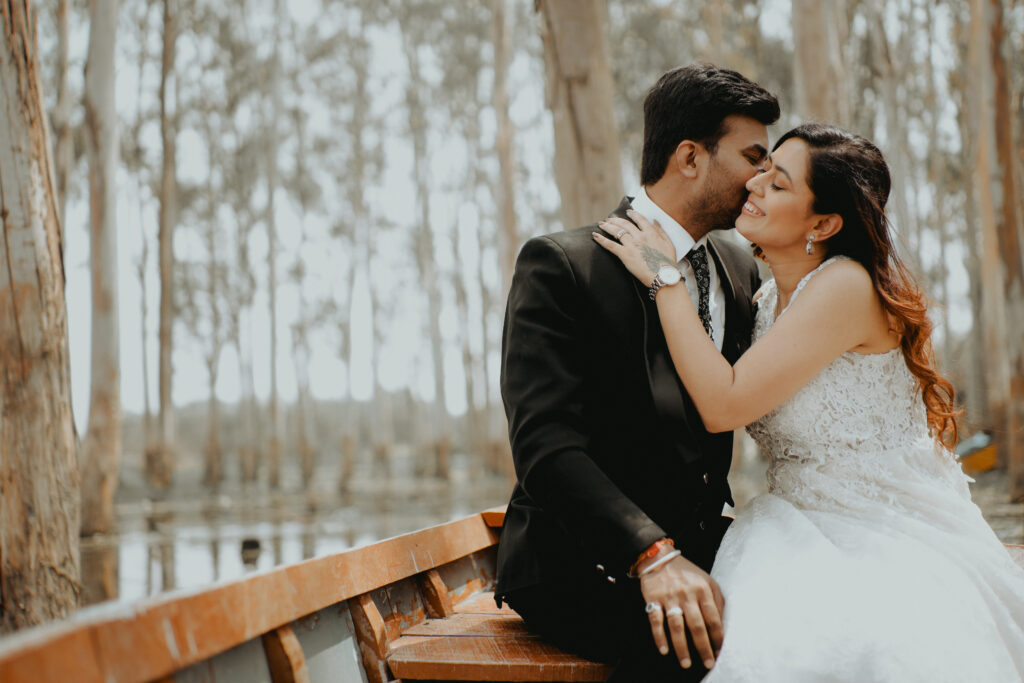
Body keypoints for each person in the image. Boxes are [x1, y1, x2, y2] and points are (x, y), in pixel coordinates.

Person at [595, 123, 1024, 681]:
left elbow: (724, 405)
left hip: (882, 531)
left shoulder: (845, 285)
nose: (754, 186)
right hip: (796, 520)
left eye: (778, 185)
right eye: (762, 171)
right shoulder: (769, 297)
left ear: (822, 223)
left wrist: (664, 278)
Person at [495, 64, 779, 681]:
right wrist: (650, 553)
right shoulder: (563, 265)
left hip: (704, 546)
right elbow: (545, 448)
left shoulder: (741, 268)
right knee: (700, 654)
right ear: (689, 157)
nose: (764, 177)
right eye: (753, 156)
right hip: (579, 562)